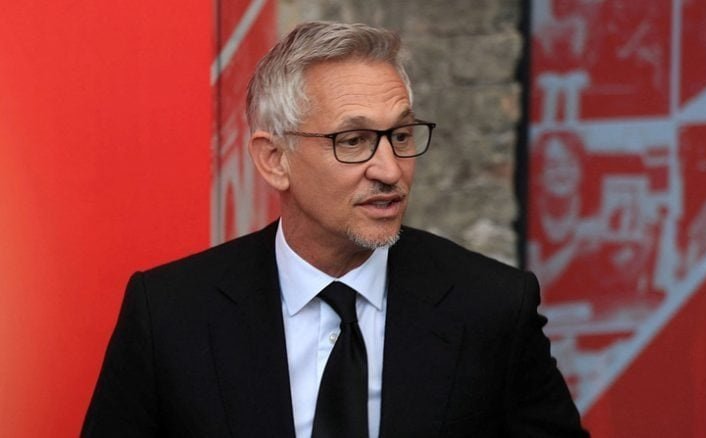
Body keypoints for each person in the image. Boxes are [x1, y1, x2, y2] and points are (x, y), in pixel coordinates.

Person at [83, 21, 588, 437]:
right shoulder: (170, 314)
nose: (389, 169)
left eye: (401, 135)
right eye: (353, 140)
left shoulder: (491, 306)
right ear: (274, 159)